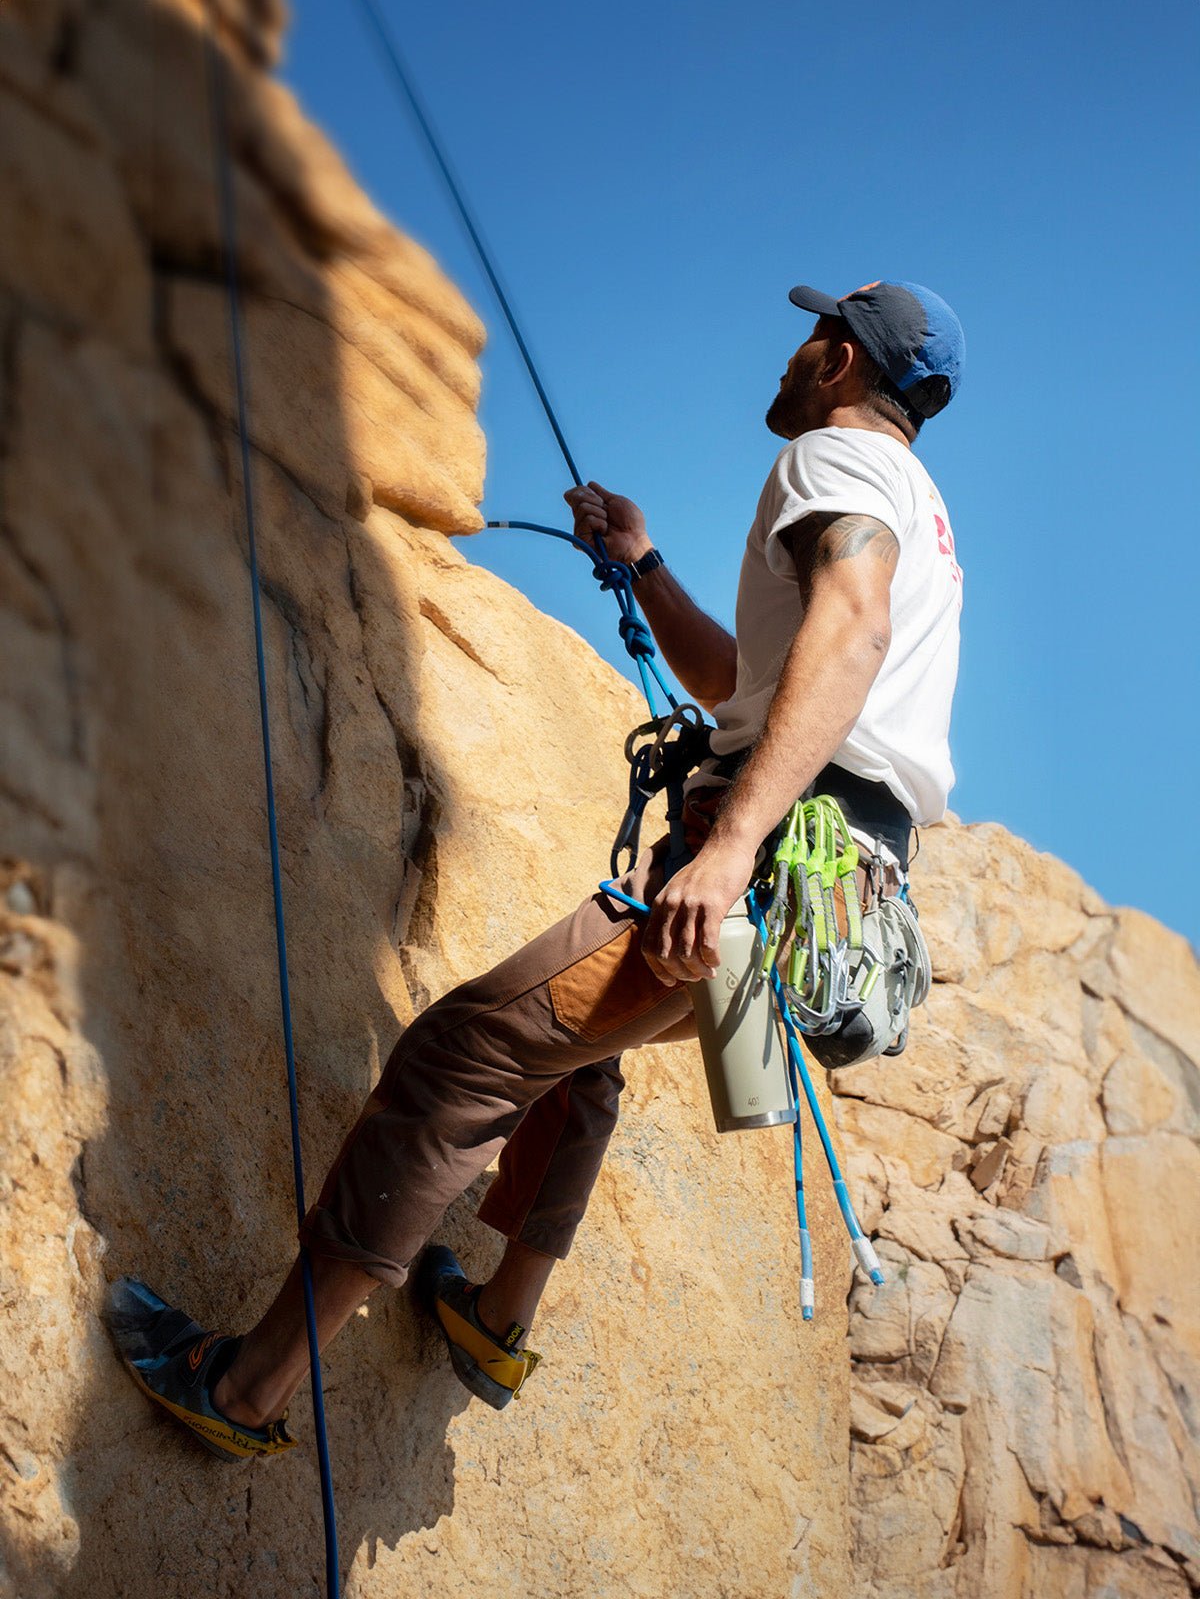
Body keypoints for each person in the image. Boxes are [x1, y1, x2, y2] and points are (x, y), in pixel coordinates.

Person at [109, 278, 966, 1454]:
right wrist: (647, 562)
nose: (791, 355)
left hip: (767, 867)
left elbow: (852, 635)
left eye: (809, 336)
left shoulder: (837, 463)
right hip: (840, 898)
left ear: (838, 359)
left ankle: (244, 1389)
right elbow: (746, 687)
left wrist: (725, 847)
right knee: (574, 1053)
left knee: (464, 1049)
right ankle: (498, 1320)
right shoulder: (921, 512)